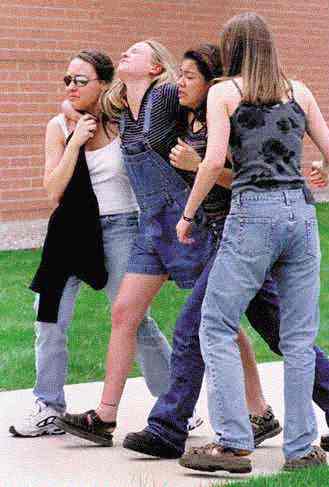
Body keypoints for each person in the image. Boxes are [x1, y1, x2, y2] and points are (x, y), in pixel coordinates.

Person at [123, 43, 329, 460]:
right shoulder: (188, 116)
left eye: (190, 77)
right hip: (229, 236)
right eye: (179, 76)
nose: (181, 83)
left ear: (212, 81)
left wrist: (198, 172)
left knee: (194, 327)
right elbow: (146, 123)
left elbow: (247, 180)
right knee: (280, 333)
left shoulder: (231, 116)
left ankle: (169, 427)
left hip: (245, 234)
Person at [55, 40, 284, 448]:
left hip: (187, 223)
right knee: (124, 312)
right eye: (122, 51)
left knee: (220, 321)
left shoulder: (167, 96)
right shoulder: (121, 104)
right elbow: (88, 101)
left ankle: (259, 411)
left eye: (135, 51)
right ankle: (104, 417)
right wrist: (70, 111)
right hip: (151, 227)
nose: (123, 53)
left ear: (157, 66)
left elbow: (210, 106)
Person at [176, 13, 329, 473]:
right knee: (299, 338)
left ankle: (232, 443)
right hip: (301, 215)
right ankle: (303, 450)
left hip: (253, 214)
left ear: (231, 48)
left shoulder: (224, 93)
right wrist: (322, 173)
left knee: (215, 324)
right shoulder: (299, 91)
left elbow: (211, 164)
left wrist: (188, 215)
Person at [9, 49, 174, 438]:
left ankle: (172, 404)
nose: (71, 87)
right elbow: (53, 190)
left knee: (133, 317)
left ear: (102, 84)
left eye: (80, 80)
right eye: (67, 80)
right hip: (68, 231)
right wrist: (74, 142)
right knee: (48, 316)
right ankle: (48, 405)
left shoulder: (122, 122)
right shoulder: (59, 126)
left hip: (121, 227)